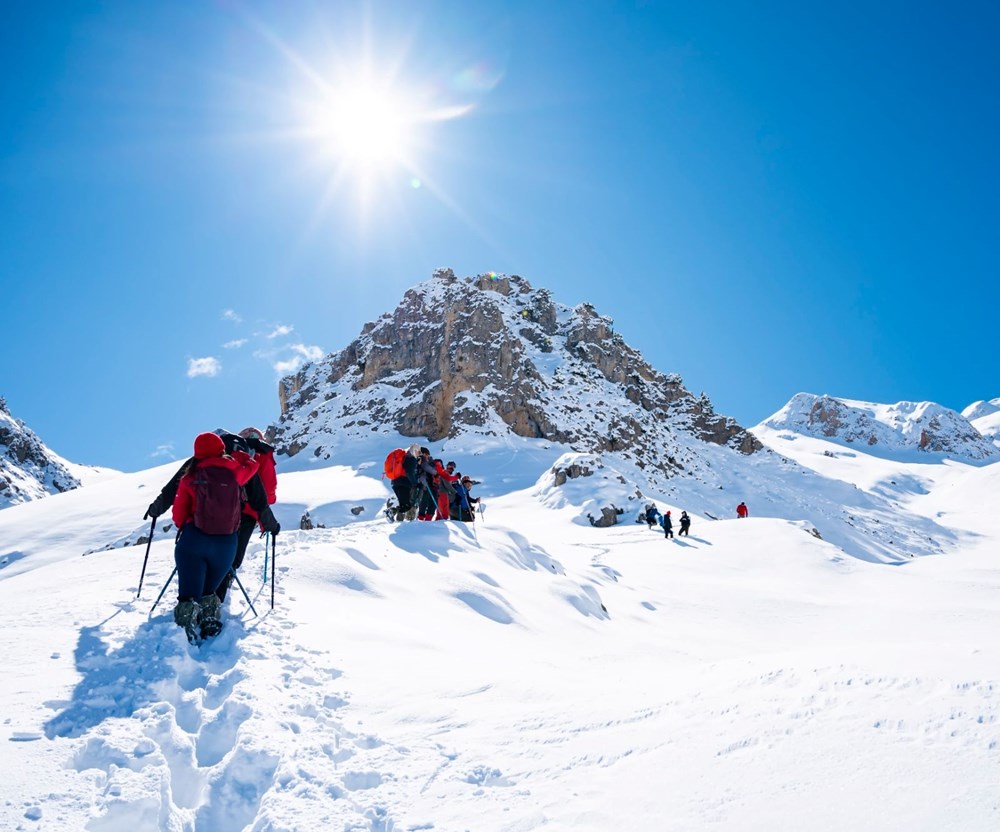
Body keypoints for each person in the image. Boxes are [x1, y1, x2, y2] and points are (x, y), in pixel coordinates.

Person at [145, 429, 279, 602]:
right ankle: (213, 603)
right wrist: (270, 525)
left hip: (199, 524)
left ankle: (192, 601)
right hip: (240, 520)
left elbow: (176, 487)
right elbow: (261, 499)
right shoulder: (243, 466)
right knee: (229, 562)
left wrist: (158, 508)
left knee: (197, 559)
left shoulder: (198, 463)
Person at [170, 432, 258, 642]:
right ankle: (209, 620)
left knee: (189, 594)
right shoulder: (237, 472)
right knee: (210, 590)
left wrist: (190, 527)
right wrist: (240, 455)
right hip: (226, 544)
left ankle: (184, 636)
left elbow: (178, 514)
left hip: (194, 541)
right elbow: (253, 465)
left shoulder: (191, 477)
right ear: (221, 449)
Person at [216, 427, 280, 603]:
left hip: (222, 507)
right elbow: (269, 490)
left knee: (218, 547)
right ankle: (217, 596)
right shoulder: (264, 454)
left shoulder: (230, 450)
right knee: (234, 555)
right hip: (249, 512)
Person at [387, 445, 421, 521]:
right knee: (405, 506)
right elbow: (409, 473)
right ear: (414, 451)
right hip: (404, 483)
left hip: (395, 482)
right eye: (418, 452)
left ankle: (391, 513)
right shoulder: (411, 458)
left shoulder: (404, 457)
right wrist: (415, 483)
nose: (419, 454)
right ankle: (390, 512)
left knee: (404, 505)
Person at [416, 448, 439, 521]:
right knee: (424, 501)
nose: (427, 456)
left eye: (427, 455)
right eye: (426, 454)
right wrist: (435, 473)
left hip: (431, 484)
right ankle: (422, 518)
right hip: (425, 484)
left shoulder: (431, 461)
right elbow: (425, 469)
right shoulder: (420, 459)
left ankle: (426, 518)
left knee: (431, 502)